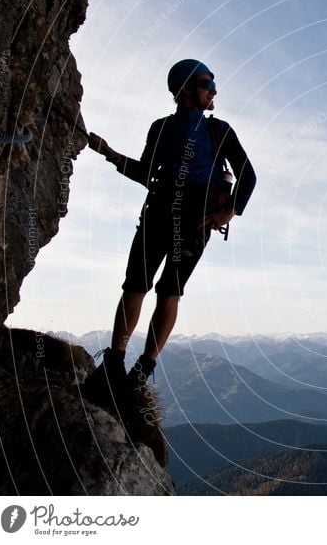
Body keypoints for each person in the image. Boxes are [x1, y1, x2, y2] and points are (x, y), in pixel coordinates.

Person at [83, 59, 256, 425]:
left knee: (161, 288)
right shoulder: (163, 128)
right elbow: (147, 173)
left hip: (182, 216)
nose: (214, 91)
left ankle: (138, 369)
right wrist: (109, 153)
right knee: (142, 284)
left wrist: (228, 213)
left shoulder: (217, 130)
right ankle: (118, 363)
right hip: (180, 215)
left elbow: (248, 175)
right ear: (187, 88)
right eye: (209, 83)